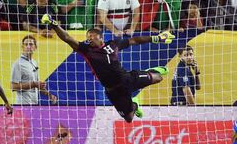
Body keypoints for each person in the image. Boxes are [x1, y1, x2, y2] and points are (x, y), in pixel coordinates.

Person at [41, 14, 174, 122]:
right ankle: (134, 104)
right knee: (129, 118)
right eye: (88, 38)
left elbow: (134, 40)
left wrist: (156, 38)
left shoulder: (113, 44)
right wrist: (54, 24)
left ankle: (149, 71)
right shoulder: (86, 50)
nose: (89, 39)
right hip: (113, 91)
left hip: (127, 79)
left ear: (100, 37)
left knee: (159, 78)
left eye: (92, 36)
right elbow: (67, 38)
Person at [11, 35, 58, 105]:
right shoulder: (18, 64)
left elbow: (37, 85)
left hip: (34, 104)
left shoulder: (34, 62)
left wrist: (49, 95)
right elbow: (13, 86)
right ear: (22, 47)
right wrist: (33, 84)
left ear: (35, 47)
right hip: (22, 104)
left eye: (31, 44)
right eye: (26, 44)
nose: (28, 46)